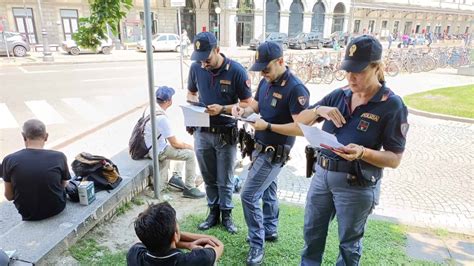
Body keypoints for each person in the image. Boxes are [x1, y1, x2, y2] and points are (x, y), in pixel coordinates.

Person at [257, 35, 409, 265]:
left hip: (356, 184)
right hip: (322, 176)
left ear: (377, 67)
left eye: (358, 71)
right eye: (348, 70)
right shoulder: (340, 94)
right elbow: (302, 123)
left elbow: (394, 158)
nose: (351, 77)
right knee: (312, 234)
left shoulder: (391, 105)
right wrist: (319, 110)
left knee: (349, 244)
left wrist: (363, 152)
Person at [232, 41, 310, 265]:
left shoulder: (296, 89)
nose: (263, 74)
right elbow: (256, 104)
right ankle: (270, 229)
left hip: (274, 153)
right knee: (268, 191)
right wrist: (243, 110)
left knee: (248, 195)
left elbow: (301, 129)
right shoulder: (267, 82)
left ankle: (257, 245)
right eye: (260, 70)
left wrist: (268, 127)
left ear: (281, 62)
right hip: (258, 147)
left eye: (266, 69)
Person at [187, 32, 253, 233]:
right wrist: (194, 105)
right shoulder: (196, 67)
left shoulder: (236, 71)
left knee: (225, 178)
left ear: (217, 50)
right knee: (208, 177)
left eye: (206, 59)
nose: (203, 64)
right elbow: (191, 93)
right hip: (202, 132)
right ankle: (213, 212)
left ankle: (227, 215)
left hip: (226, 134)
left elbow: (248, 104)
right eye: (199, 59)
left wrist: (223, 109)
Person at [2, 119, 71, 221]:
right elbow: (63, 184)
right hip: (57, 208)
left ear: (23, 136)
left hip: (28, 213)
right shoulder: (59, 157)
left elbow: (9, 196)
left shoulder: (9, 160)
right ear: (46, 136)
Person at [145, 86, 205, 199]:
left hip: (149, 146)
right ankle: (189, 187)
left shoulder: (151, 108)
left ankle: (176, 176)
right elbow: (175, 144)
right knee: (190, 153)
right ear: (169, 101)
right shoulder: (162, 118)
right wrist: (190, 147)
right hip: (157, 150)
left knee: (182, 147)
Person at [127, 202, 224, 266]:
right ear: (176, 235)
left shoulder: (134, 255)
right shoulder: (197, 260)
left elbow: (148, 237)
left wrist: (188, 244)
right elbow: (218, 244)